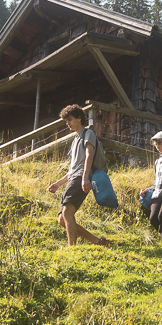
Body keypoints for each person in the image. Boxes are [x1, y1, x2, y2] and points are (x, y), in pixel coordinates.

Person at [47, 105, 109, 247]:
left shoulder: (88, 134)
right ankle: (97, 241)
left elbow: (89, 156)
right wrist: (58, 183)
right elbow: (72, 168)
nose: (67, 123)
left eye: (69, 120)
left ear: (79, 118)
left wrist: (85, 178)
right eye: (66, 121)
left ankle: (72, 249)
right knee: (62, 219)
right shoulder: (75, 140)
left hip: (81, 177)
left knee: (68, 211)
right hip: (75, 177)